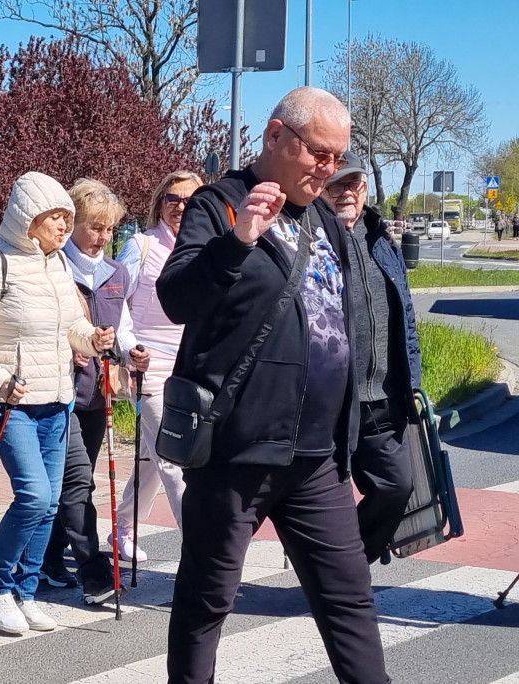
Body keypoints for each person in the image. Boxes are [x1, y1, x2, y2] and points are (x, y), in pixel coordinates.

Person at [158, 87, 389, 683]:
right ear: (276, 134)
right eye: (319, 153)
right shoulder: (220, 204)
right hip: (239, 449)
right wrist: (238, 243)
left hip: (318, 459)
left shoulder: (322, 220)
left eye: (338, 158)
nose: (329, 169)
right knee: (206, 602)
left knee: (350, 604)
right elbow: (176, 296)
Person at [0, 171, 114, 635]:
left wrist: (94, 339)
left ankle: (24, 592)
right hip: (8, 399)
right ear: (28, 218)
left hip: (56, 396)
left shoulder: (58, 265)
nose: (65, 226)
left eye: (67, 217)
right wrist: (0, 380)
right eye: (56, 217)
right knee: (35, 496)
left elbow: (70, 328)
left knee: (50, 502)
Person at [38, 178, 149, 605]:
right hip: (57, 390)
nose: (102, 237)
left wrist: (132, 351)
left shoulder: (116, 272)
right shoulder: (53, 266)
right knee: (78, 481)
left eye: (109, 229)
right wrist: (71, 345)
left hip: (97, 394)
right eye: (93, 227)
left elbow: (120, 327)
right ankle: (95, 573)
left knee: (64, 485)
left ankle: (47, 560)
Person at [323, 151, 421, 564]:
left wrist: (413, 383)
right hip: (329, 400)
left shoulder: (381, 238)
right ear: (321, 190)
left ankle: (347, 568)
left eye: (353, 184)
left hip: (382, 396)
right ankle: (334, 576)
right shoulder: (313, 239)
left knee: (397, 485)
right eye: (336, 185)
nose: (346, 192)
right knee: (322, 503)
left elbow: (407, 316)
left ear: (364, 188)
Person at [110, 170, 203, 563]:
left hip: (193, 366)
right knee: (174, 456)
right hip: (149, 364)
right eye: (173, 199)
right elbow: (114, 304)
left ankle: (123, 529)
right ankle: (202, 551)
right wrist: (130, 350)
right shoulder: (141, 246)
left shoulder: (207, 247)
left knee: (151, 456)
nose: (181, 207)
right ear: (160, 203)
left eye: (190, 200)